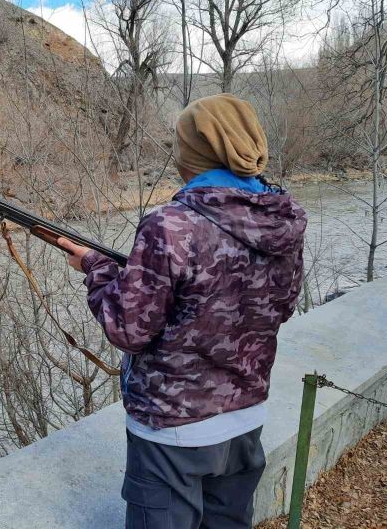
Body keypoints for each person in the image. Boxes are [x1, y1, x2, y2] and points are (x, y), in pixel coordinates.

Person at [58, 94, 307, 529]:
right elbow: (280, 306)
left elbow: (127, 329)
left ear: (192, 150)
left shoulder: (170, 225)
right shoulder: (284, 220)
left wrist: (95, 269)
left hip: (173, 430)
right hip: (245, 419)